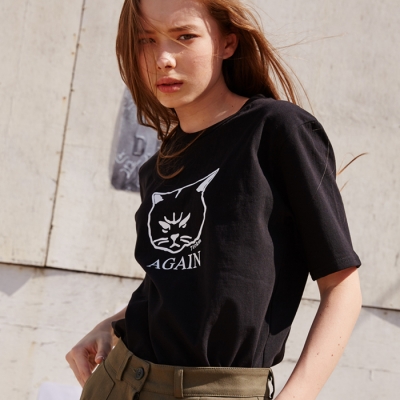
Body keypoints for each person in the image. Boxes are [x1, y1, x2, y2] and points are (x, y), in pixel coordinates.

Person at [66, 0, 362, 399]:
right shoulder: (160, 165)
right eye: (146, 40)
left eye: (184, 36)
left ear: (227, 43)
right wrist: (113, 323)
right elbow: (183, 283)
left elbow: (342, 288)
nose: (163, 58)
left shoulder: (276, 131)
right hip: (118, 381)